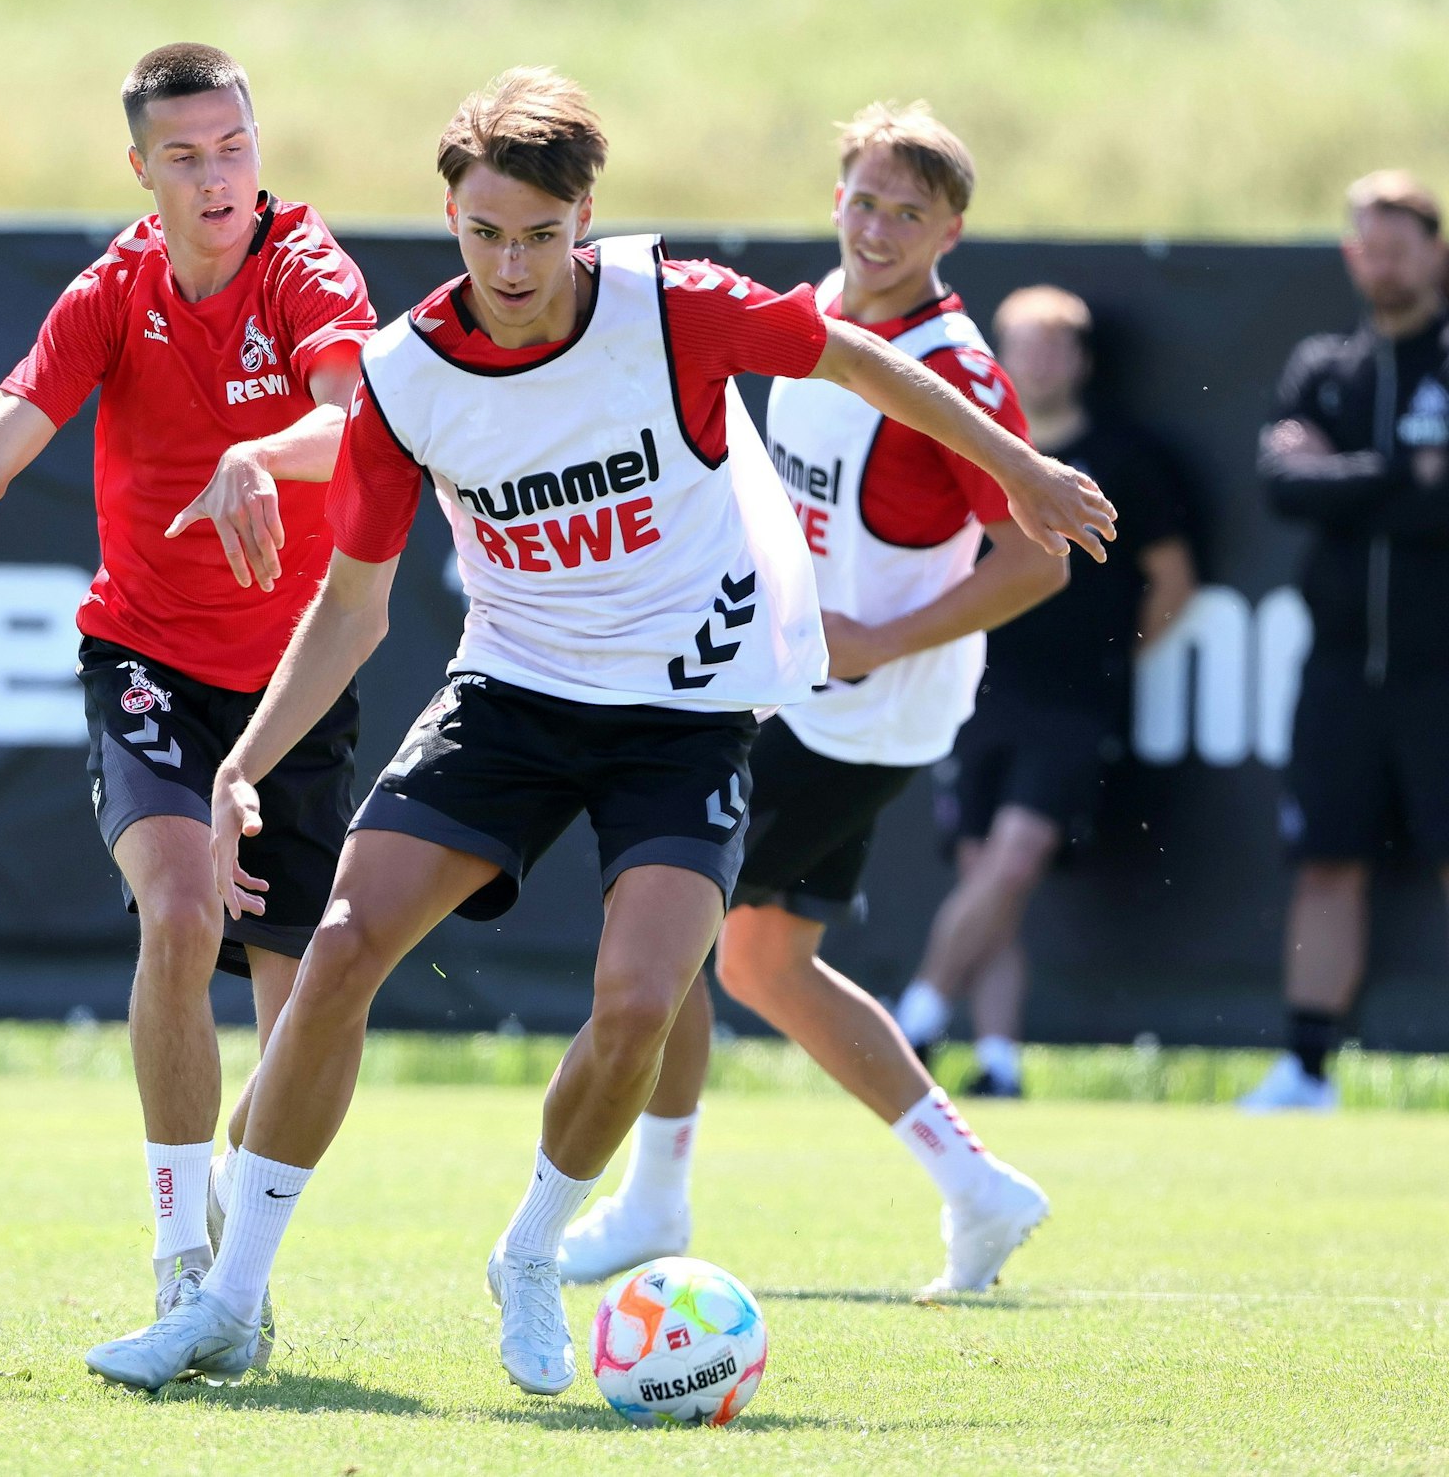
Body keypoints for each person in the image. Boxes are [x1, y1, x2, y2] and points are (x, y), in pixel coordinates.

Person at [81, 70, 1114, 1396]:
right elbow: (351, 609)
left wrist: (1017, 467)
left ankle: (529, 1251)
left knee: (639, 1005)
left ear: (584, 218)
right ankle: (227, 1301)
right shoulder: (405, 377)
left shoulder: (672, 305)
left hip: (684, 713)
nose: (511, 266)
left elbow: (852, 354)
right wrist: (239, 766)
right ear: (450, 220)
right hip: (511, 696)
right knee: (338, 949)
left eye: (538, 234)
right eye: (483, 233)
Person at [0, 43, 376, 1357]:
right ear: (140, 169)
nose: (216, 176)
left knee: (302, 1031)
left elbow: (354, 421)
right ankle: (182, 1260)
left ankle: (236, 1228)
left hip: (293, 686)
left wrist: (257, 453)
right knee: (178, 914)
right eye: (184, 156)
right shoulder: (114, 293)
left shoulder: (307, 270)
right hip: (146, 661)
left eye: (233, 146)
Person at [558, 105, 1073, 1292]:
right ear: (835, 197)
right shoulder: (818, 313)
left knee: (666, 923)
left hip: (858, 709)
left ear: (949, 231)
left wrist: (874, 639)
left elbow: (1035, 562)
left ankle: (652, 1202)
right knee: (760, 961)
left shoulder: (955, 372)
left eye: (907, 213)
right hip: (800, 686)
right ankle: (977, 1188)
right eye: (863, 200)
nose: (877, 228)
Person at [891, 286, 1199, 1098]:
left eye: (1059, 346)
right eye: (1027, 345)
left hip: (1073, 701)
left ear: (1084, 361)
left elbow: (1173, 580)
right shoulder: (974, 444)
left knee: (1017, 859)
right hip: (976, 686)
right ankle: (1000, 1058)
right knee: (982, 875)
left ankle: (916, 1015)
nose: (1042, 362)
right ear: (1000, 355)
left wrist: (1114, 655)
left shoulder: (1123, 458)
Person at [1239, 171, 1449, 1111]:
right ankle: (1307, 1069)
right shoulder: (1322, 366)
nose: (1384, 263)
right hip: (1338, 673)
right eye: (1370, 246)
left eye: (1400, 246)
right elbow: (1284, 485)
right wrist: (1407, 472)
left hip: (1441, 675)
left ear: (1435, 253)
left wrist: (1351, 481)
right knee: (1326, 861)